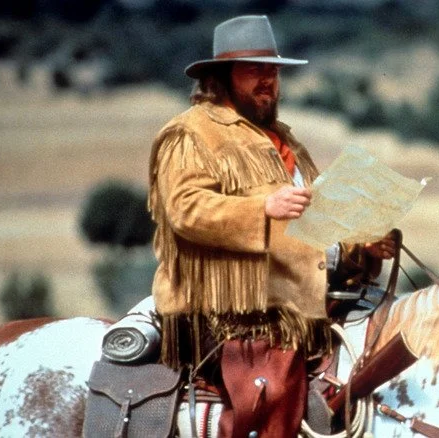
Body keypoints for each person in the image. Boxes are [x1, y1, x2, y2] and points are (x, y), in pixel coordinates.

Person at [147, 15, 395, 437]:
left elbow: (313, 223)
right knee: (274, 390)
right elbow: (185, 209)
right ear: (222, 77)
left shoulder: (282, 139)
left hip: (302, 300)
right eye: (255, 70)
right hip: (236, 312)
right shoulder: (190, 134)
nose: (269, 81)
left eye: (274, 71)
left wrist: (360, 246)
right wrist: (263, 207)